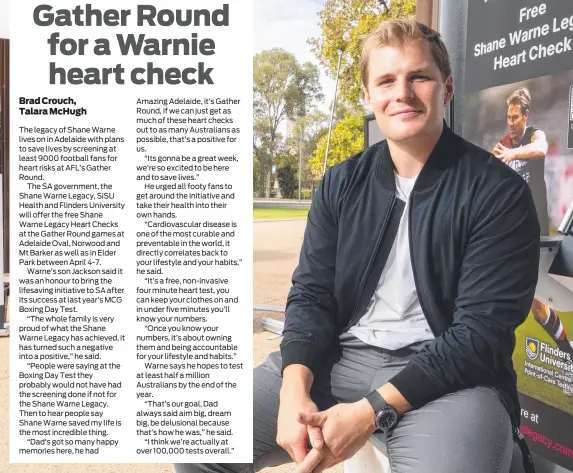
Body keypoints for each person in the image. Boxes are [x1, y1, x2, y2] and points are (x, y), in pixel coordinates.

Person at [175, 18, 539, 473]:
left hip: (449, 377)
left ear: (446, 88)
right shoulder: (342, 183)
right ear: (368, 96)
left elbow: (479, 336)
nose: (401, 93)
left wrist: (369, 412)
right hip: (342, 357)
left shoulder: (496, 191)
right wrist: (294, 389)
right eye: (386, 81)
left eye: (418, 77)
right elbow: (311, 294)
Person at [493, 88, 573, 393]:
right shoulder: (503, 144)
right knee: (531, 306)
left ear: (525, 116)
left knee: (536, 306)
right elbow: (486, 170)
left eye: (515, 117)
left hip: (535, 232)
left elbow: (540, 150)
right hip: (511, 231)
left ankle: (565, 356)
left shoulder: (534, 137)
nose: (511, 122)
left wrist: (513, 154)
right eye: (508, 117)